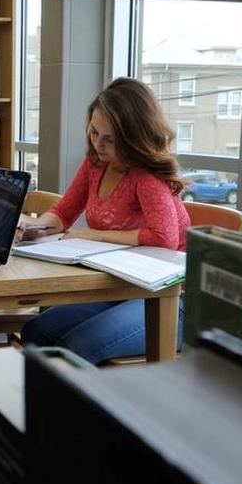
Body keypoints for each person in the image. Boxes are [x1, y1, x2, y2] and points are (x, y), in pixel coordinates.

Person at [17, 77, 190, 364]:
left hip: (169, 297)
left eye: (109, 139)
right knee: (37, 331)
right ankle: (49, 408)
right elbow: (64, 212)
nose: (98, 143)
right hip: (122, 284)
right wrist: (32, 228)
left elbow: (163, 238)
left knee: (74, 348)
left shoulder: (146, 176)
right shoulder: (96, 163)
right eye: (94, 132)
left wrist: (93, 234)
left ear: (133, 138)